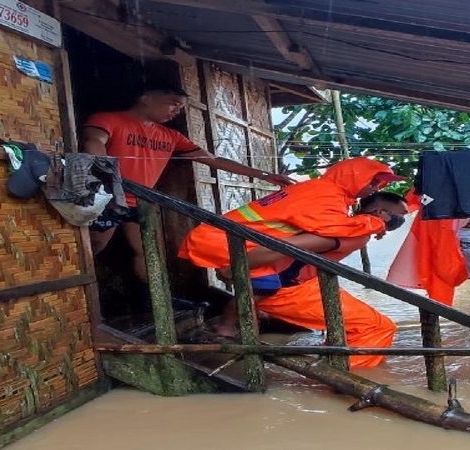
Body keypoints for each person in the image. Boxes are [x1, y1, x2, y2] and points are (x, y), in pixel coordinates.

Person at [81, 82, 294, 284]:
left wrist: (264, 174)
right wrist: (109, 180)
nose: (176, 111)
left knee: (149, 252)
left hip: (141, 201)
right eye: (173, 103)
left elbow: (213, 160)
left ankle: (157, 300)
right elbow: (93, 141)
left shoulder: (171, 136)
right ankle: (81, 285)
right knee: (95, 242)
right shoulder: (108, 119)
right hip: (108, 196)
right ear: (146, 98)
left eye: (180, 107)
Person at [179, 158, 404, 334]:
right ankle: (227, 326)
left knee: (260, 288)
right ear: (353, 177)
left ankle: (242, 320)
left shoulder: (324, 192)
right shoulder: (325, 195)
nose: (376, 187)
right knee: (264, 288)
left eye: (379, 184)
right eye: (373, 181)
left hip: (229, 237)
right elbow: (335, 228)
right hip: (225, 240)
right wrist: (373, 222)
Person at [213, 192, 409, 368]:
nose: (402, 220)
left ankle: (332, 358)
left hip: (296, 283)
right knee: (378, 327)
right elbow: (285, 246)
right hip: (287, 287)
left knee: (365, 323)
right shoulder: (354, 231)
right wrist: (234, 268)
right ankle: (347, 374)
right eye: (400, 216)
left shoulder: (344, 224)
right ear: (380, 213)